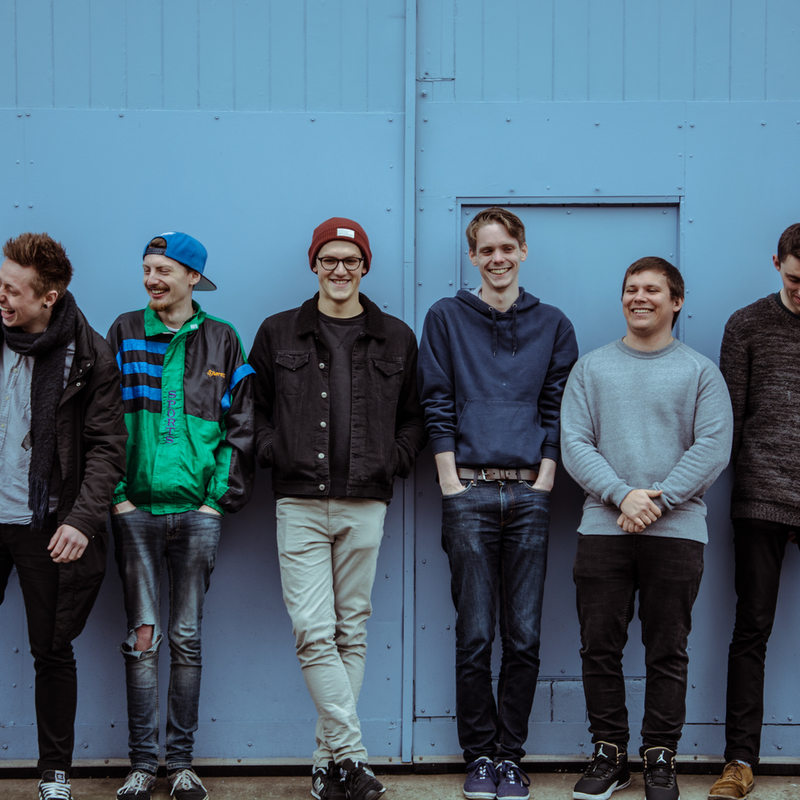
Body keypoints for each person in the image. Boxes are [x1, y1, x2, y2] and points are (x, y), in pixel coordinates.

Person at [249, 217, 426, 800]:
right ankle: (353, 757)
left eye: (351, 260)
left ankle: (327, 768)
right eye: (330, 259)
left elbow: (415, 416)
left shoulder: (396, 337)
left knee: (352, 630)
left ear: (365, 266)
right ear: (314, 264)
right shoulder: (278, 331)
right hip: (299, 501)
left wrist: (395, 458)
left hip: (365, 501)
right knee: (313, 631)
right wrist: (274, 450)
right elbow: (254, 409)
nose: (341, 269)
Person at [417, 207, 578, 800]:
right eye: (486, 250)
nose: (497, 258)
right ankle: (480, 757)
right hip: (469, 490)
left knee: (525, 636)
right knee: (476, 635)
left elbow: (558, 405)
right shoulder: (445, 317)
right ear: (472, 257)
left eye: (506, 247)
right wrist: (449, 480)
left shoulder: (553, 324)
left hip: (530, 493)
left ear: (523, 251)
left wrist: (546, 477)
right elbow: (436, 398)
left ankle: (511, 758)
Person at [561, 257, 733, 800]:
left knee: (667, 650)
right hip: (602, 529)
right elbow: (574, 443)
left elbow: (713, 446)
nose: (639, 297)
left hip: (677, 533)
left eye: (652, 290)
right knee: (599, 647)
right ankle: (610, 754)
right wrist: (622, 494)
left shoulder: (700, 372)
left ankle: (661, 756)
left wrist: (657, 501)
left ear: (676, 302)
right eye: (631, 288)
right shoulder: (591, 369)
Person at [107, 232, 255, 800]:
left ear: (193, 278)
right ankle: (143, 765)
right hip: (136, 512)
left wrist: (215, 500)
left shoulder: (222, 338)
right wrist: (119, 496)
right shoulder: (124, 331)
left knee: (187, 638)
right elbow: (100, 418)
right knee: (143, 638)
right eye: (147, 269)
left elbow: (241, 426)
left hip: (197, 515)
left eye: (164, 270)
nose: (153, 279)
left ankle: (183, 765)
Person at [0, 233, 127, 800]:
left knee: (51, 650)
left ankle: (54, 774)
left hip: (45, 523)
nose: (1, 297)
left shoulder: (89, 355)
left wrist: (80, 520)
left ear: (48, 298)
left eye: (12, 290)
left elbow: (107, 447)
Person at [708, 223, 800, 800]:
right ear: (776, 264)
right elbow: (730, 423)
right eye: (795, 280)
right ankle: (739, 762)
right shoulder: (746, 324)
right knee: (751, 631)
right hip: (761, 499)